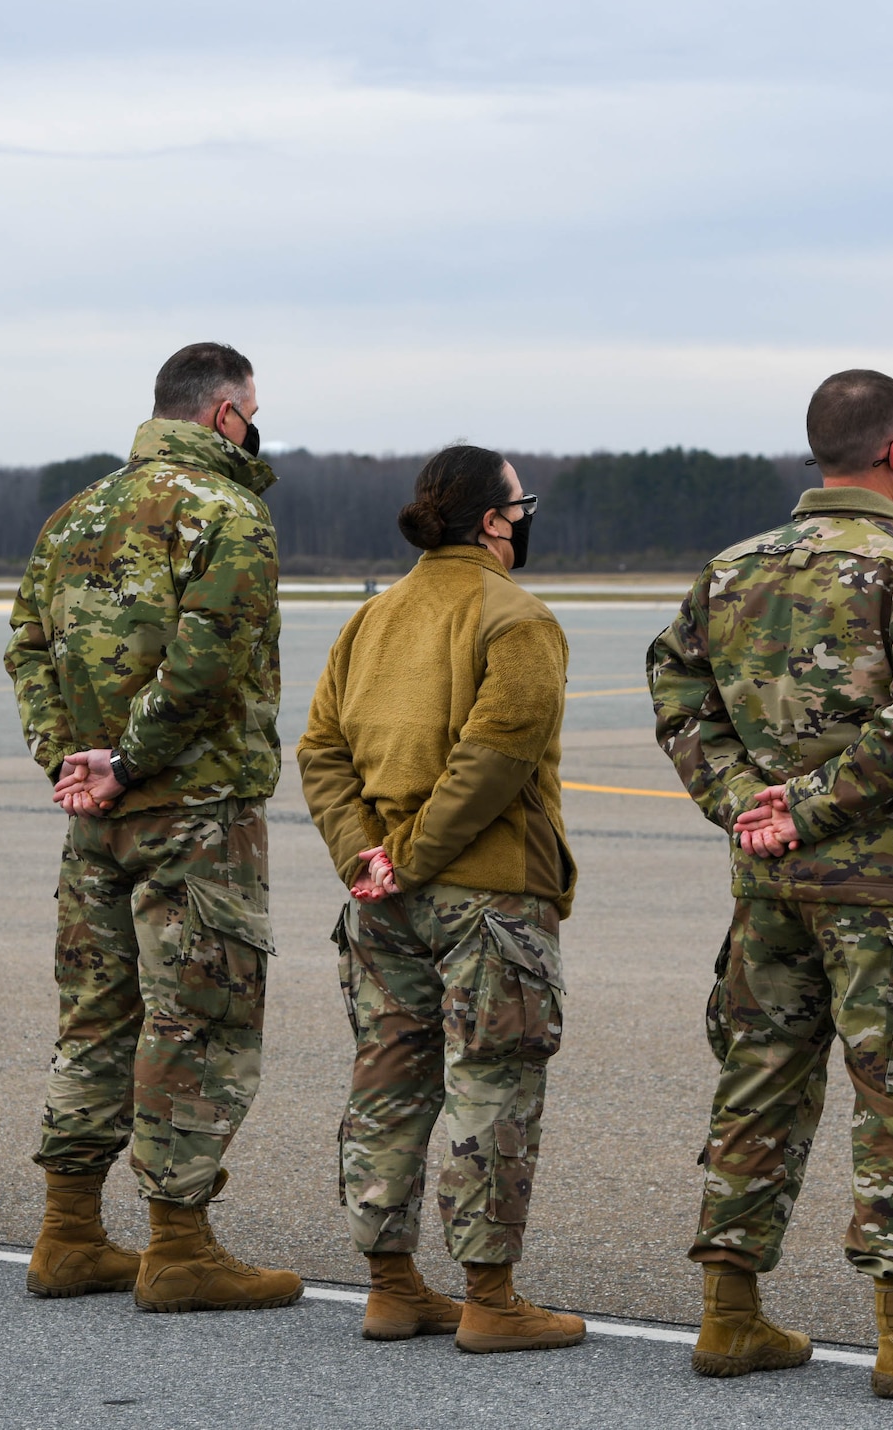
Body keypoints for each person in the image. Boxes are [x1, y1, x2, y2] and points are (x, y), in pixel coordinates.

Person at [647, 369, 893, 1399]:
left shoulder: (732, 567)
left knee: (758, 1077)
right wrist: (806, 811)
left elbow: (675, 691)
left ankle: (728, 1315)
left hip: (768, 886)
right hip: (881, 891)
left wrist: (745, 804)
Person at [4, 342, 301, 1312]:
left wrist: (69, 759)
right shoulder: (229, 515)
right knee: (196, 1020)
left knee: (95, 1017)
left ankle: (67, 1232)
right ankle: (175, 1244)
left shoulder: (71, 517)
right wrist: (129, 758)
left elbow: (26, 645)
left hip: (94, 817)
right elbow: (206, 659)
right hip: (193, 809)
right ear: (224, 414)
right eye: (251, 409)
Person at [298, 445, 586, 1353]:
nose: (524, 517)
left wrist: (365, 857)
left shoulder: (373, 617)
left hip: (382, 902)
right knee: (491, 1085)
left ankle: (391, 1286)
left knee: (388, 1079)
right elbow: (493, 763)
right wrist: (414, 857)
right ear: (495, 521)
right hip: (486, 898)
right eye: (519, 505)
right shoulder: (518, 620)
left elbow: (319, 750)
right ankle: (489, 1300)